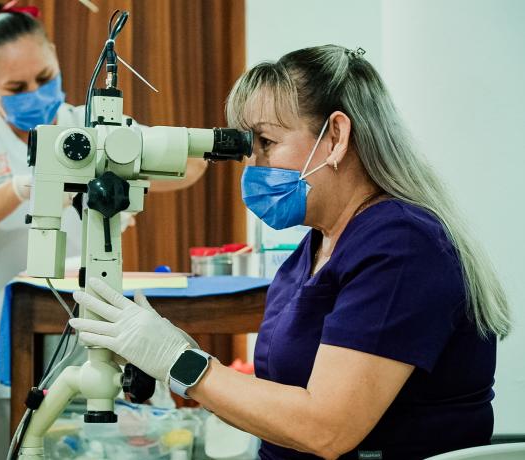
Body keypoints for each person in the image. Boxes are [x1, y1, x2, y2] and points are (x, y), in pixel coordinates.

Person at [70, 45, 511, 460]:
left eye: (265, 142)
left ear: (336, 135)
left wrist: (182, 364)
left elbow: (327, 429)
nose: (253, 166)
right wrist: (174, 357)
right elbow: (279, 406)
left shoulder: (400, 245)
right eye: (248, 148)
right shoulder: (318, 245)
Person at [0, 3, 206, 458]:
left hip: (87, 329)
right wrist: (23, 188)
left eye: (44, 78)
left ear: (58, 59)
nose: (36, 93)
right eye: (16, 88)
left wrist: (124, 159)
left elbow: (191, 164)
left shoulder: (93, 125)